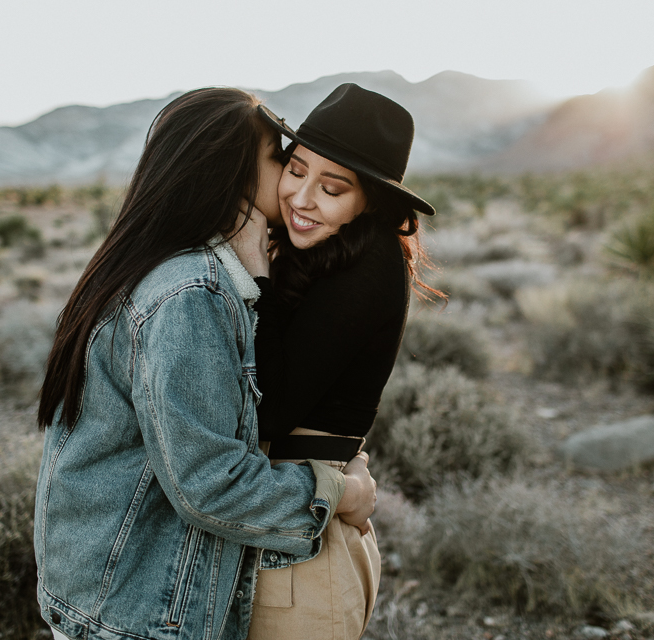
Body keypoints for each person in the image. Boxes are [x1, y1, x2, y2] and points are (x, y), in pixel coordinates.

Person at [33, 87, 378, 640]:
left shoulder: (154, 268)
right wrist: (338, 492)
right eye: (281, 160)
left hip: (107, 596)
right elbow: (210, 483)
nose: (292, 182)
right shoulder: (192, 291)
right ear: (235, 172)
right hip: (137, 611)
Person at [228, 83, 438, 640]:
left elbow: (269, 410)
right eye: (296, 170)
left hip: (302, 556)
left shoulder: (367, 266)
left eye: (333, 187)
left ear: (369, 199)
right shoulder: (327, 253)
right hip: (301, 525)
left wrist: (256, 269)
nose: (301, 198)